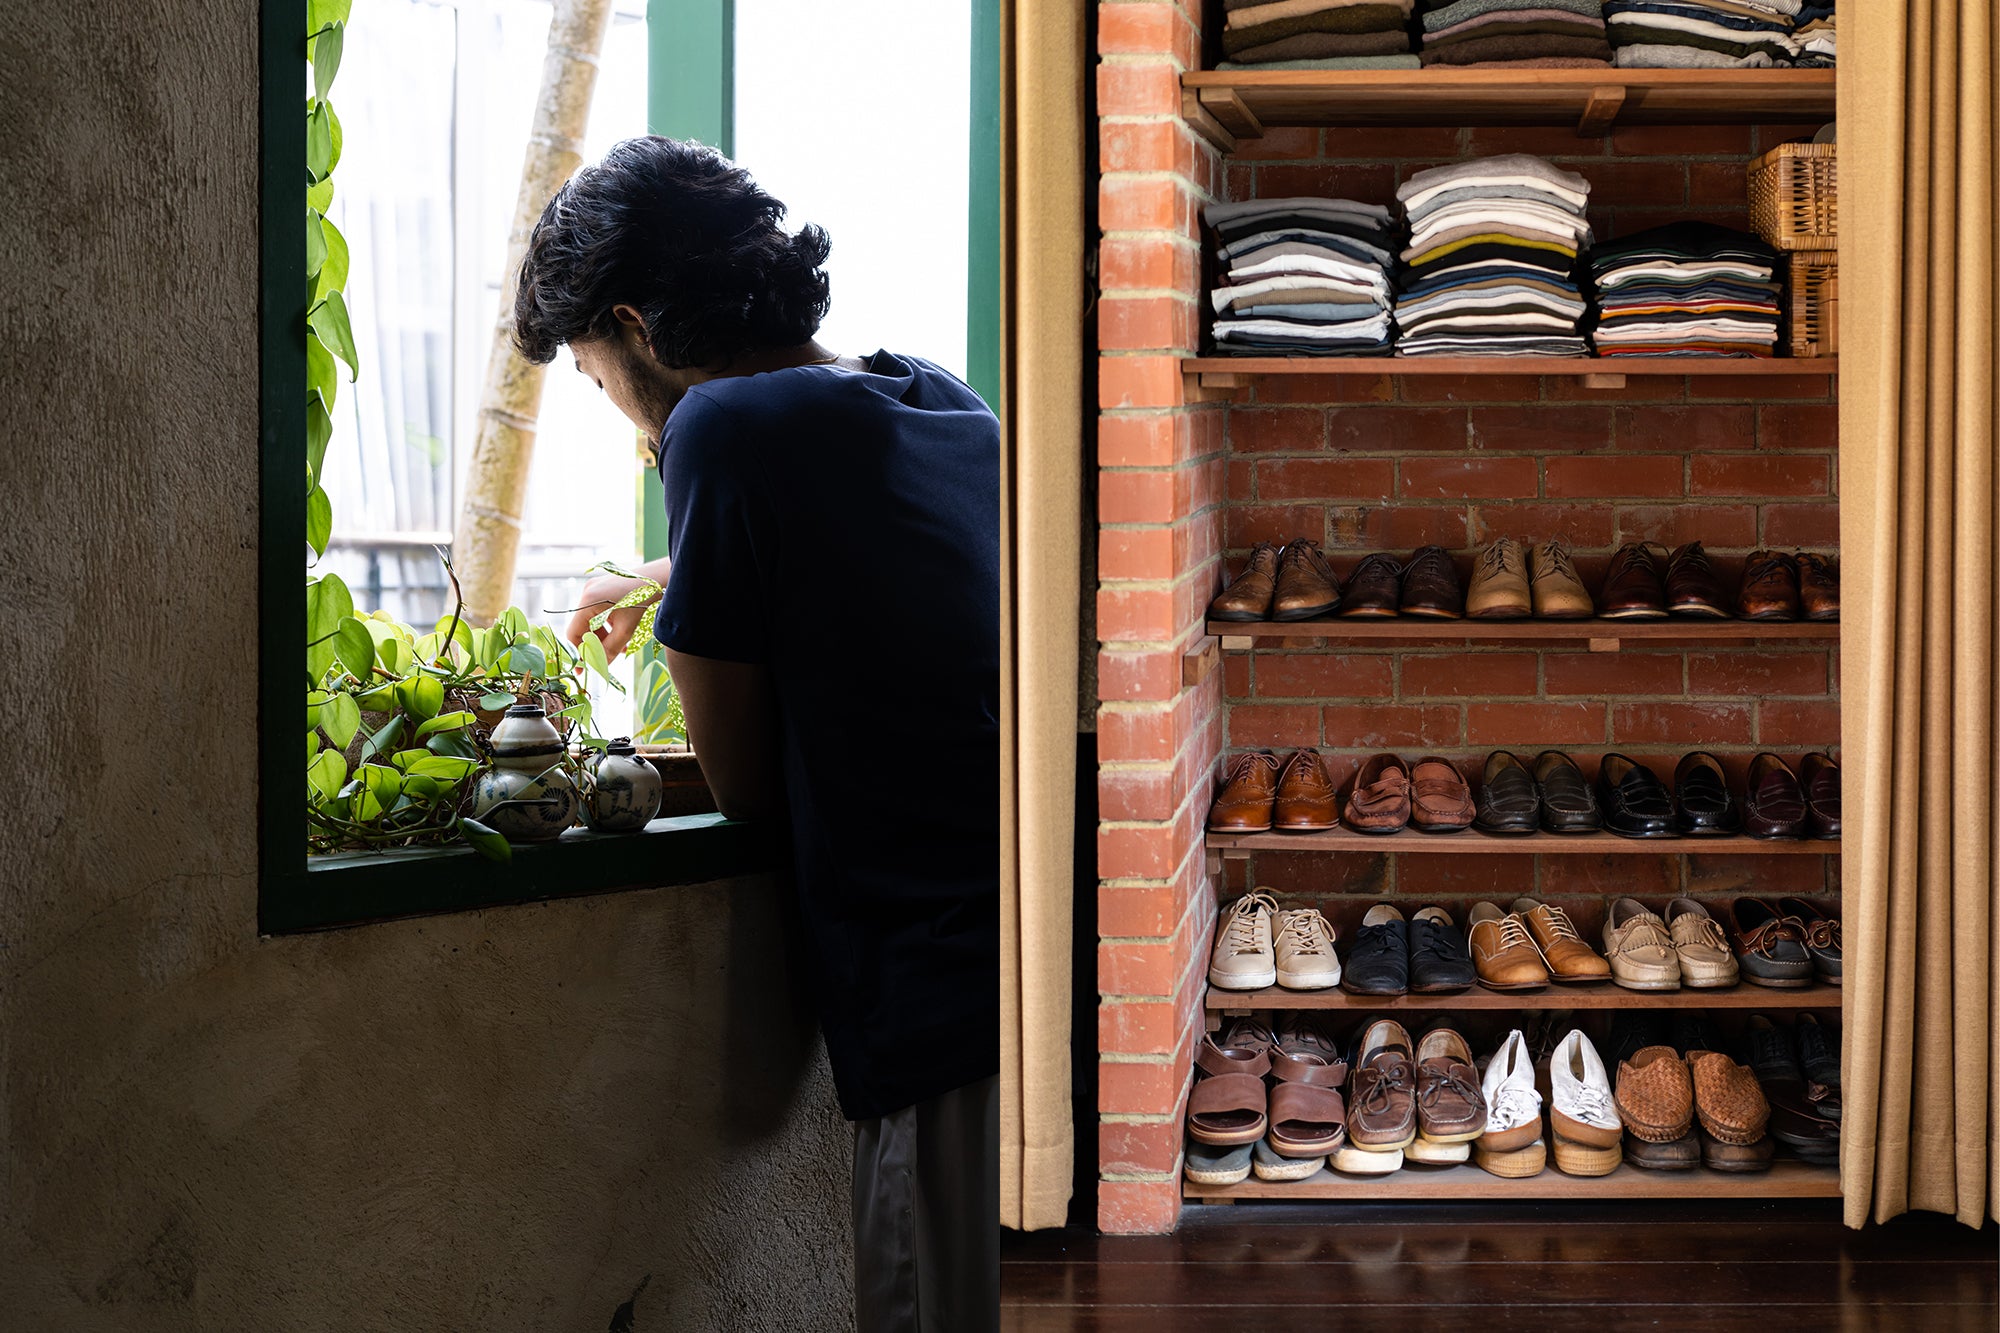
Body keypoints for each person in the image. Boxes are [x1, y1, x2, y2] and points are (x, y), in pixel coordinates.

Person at [512, 135, 998, 1333]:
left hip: (927, 998)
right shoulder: (936, 390)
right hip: (1033, 980)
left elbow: (740, 782)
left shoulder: (719, 428)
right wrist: (680, 568)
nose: (615, 405)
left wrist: (692, 592)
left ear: (638, 323)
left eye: (592, 370)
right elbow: (877, 561)